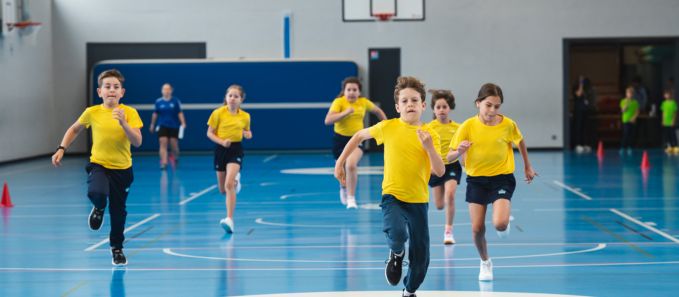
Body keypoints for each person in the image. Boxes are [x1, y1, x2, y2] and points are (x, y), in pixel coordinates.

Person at [335, 76, 444, 297]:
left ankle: (409, 290)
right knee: (397, 233)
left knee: (422, 258)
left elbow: (439, 171)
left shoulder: (430, 135)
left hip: (419, 201)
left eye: (414, 100)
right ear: (397, 106)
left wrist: (429, 148)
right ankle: (396, 254)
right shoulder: (388, 127)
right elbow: (358, 136)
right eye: (404, 101)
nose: (410, 104)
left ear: (423, 105)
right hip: (392, 196)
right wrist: (340, 162)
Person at [51, 69, 143, 266]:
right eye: (107, 86)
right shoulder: (92, 112)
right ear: (99, 91)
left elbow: (137, 142)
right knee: (96, 191)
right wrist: (61, 148)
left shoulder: (130, 113)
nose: (112, 90)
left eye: (116, 87)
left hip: (123, 170)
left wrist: (124, 123)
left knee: (119, 212)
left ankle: (116, 249)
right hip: (99, 165)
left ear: (122, 92)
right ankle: (99, 207)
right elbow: (74, 129)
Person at [448, 83, 537, 281]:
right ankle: (485, 261)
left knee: (499, 223)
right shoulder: (468, 126)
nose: (492, 110)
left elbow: (520, 141)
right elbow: (448, 157)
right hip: (476, 180)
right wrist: (459, 151)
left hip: (502, 179)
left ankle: (503, 226)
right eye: (488, 105)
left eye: (496, 106)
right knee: (477, 229)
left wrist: (527, 166)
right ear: (478, 104)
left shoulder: (507, 124)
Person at [325, 77, 387, 209]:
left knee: (351, 165)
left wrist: (386, 125)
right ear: (344, 91)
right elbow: (328, 120)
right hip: (340, 140)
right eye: (349, 90)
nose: (352, 92)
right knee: (341, 168)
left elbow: (377, 111)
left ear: (359, 92)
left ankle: (351, 198)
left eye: (355, 90)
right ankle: (343, 187)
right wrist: (345, 113)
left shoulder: (363, 102)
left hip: (357, 139)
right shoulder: (339, 102)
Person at [207, 84, 252, 233]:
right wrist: (221, 141)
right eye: (230, 96)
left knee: (228, 185)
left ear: (241, 99)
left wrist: (248, 134)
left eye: (236, 96)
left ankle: (229, 219)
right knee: (222, 190)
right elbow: (210, 133)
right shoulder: (217, 113)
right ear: (226, 98)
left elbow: (247, 130)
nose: (232, 98)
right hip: (221, 150)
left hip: (235, 150)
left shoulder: (245, 116)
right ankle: (236, 181)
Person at [426, 89, 461, 244]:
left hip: (452, 166)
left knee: (450, 194)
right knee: (439, 205)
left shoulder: (458, 128)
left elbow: (463, 149)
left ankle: (448, 231)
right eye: (438, 107)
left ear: (450, 108)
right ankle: (445, 209)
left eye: (444, 107)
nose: (441, 110)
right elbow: (424, 149)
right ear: (433, 109)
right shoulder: (428, 127)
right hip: (435, 168)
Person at [149, 83, 186, 169]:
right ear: (162, 91)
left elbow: (180, 113)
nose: (166, 91)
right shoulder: (158, 102)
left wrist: (183, 123)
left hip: (174, 125)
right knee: (163, 143)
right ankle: (164, 163)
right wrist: (152, 124)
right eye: (164, 89)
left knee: (174, 144)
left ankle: (176, 157)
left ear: (171, 90)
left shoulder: (175, 101)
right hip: (162, 125)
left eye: (168, 89)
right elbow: (155, 114)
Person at [572, 76, 595, 153]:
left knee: (586, 128)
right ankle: (578, 144)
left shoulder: (586, 91)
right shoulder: (575, 89)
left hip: (585, 111)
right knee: (579, 128)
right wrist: (580, 84)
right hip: (578, 111)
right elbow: (579, 94)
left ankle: (585, 144)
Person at [620, 86, 640, 155]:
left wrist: (634, 118)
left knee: (632, 134)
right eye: (628, 93)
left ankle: (630, 147)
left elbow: (637, 111)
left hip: (632, 121)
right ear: (626, 94)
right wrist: (626, 105)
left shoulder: (635, 102)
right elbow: (622, 110)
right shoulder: (623, 101)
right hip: (625, 120)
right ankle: (623, 147)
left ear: (633, 94)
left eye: (631, 93)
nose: (630, 95)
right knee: (626, 134)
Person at [660, 89, 678, 154]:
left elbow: (675, 113)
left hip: (671, 122)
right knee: (666, 135)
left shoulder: (673, 103)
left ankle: (675, 146)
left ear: (671, 95)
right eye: (666, 94)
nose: (668, 96)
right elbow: (663, 112)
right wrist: (663, 120)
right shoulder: (663, 103)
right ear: (664, 96)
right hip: (665, 122)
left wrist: (673, 120)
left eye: (669, 94)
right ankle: (667, 146)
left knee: (672, 134)